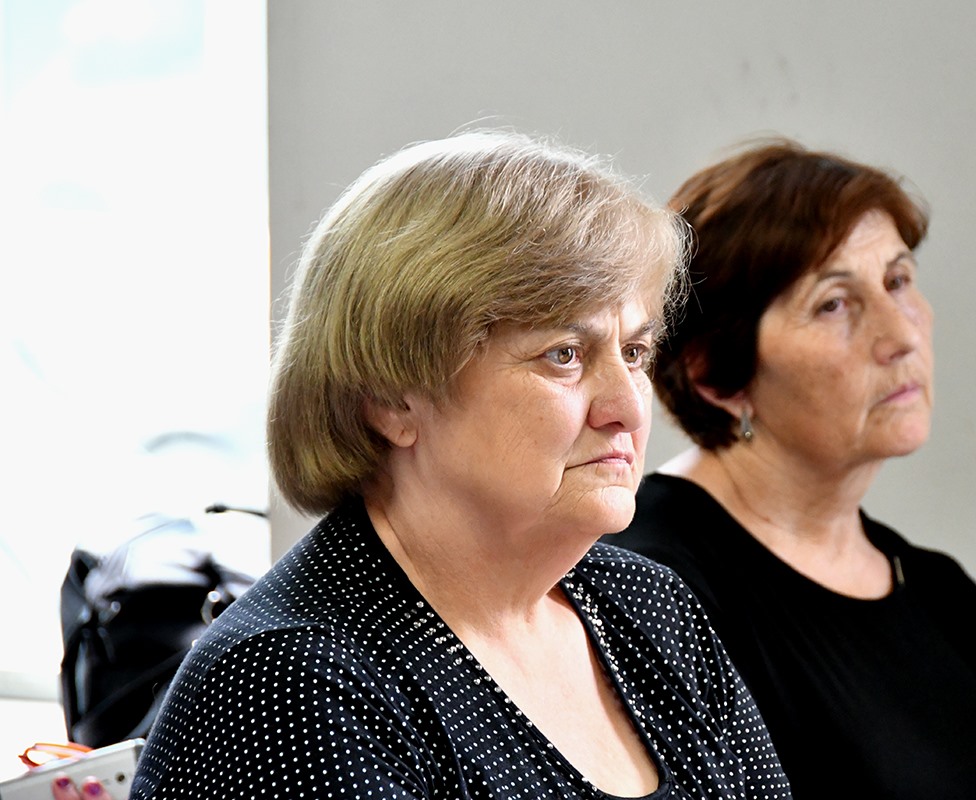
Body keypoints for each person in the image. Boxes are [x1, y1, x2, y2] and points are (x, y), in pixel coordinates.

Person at [53, 131, 792, 799]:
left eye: (633, 351)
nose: (628, 406)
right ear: (391, 398)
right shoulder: (288, 685)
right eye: (564, 354)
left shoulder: (647, 605)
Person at [606, 140, 976, 799]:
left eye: (898, 281)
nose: (902, 335)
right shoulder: (645, 585)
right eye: (834, 304)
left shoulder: (946, 596)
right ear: (716, 374)